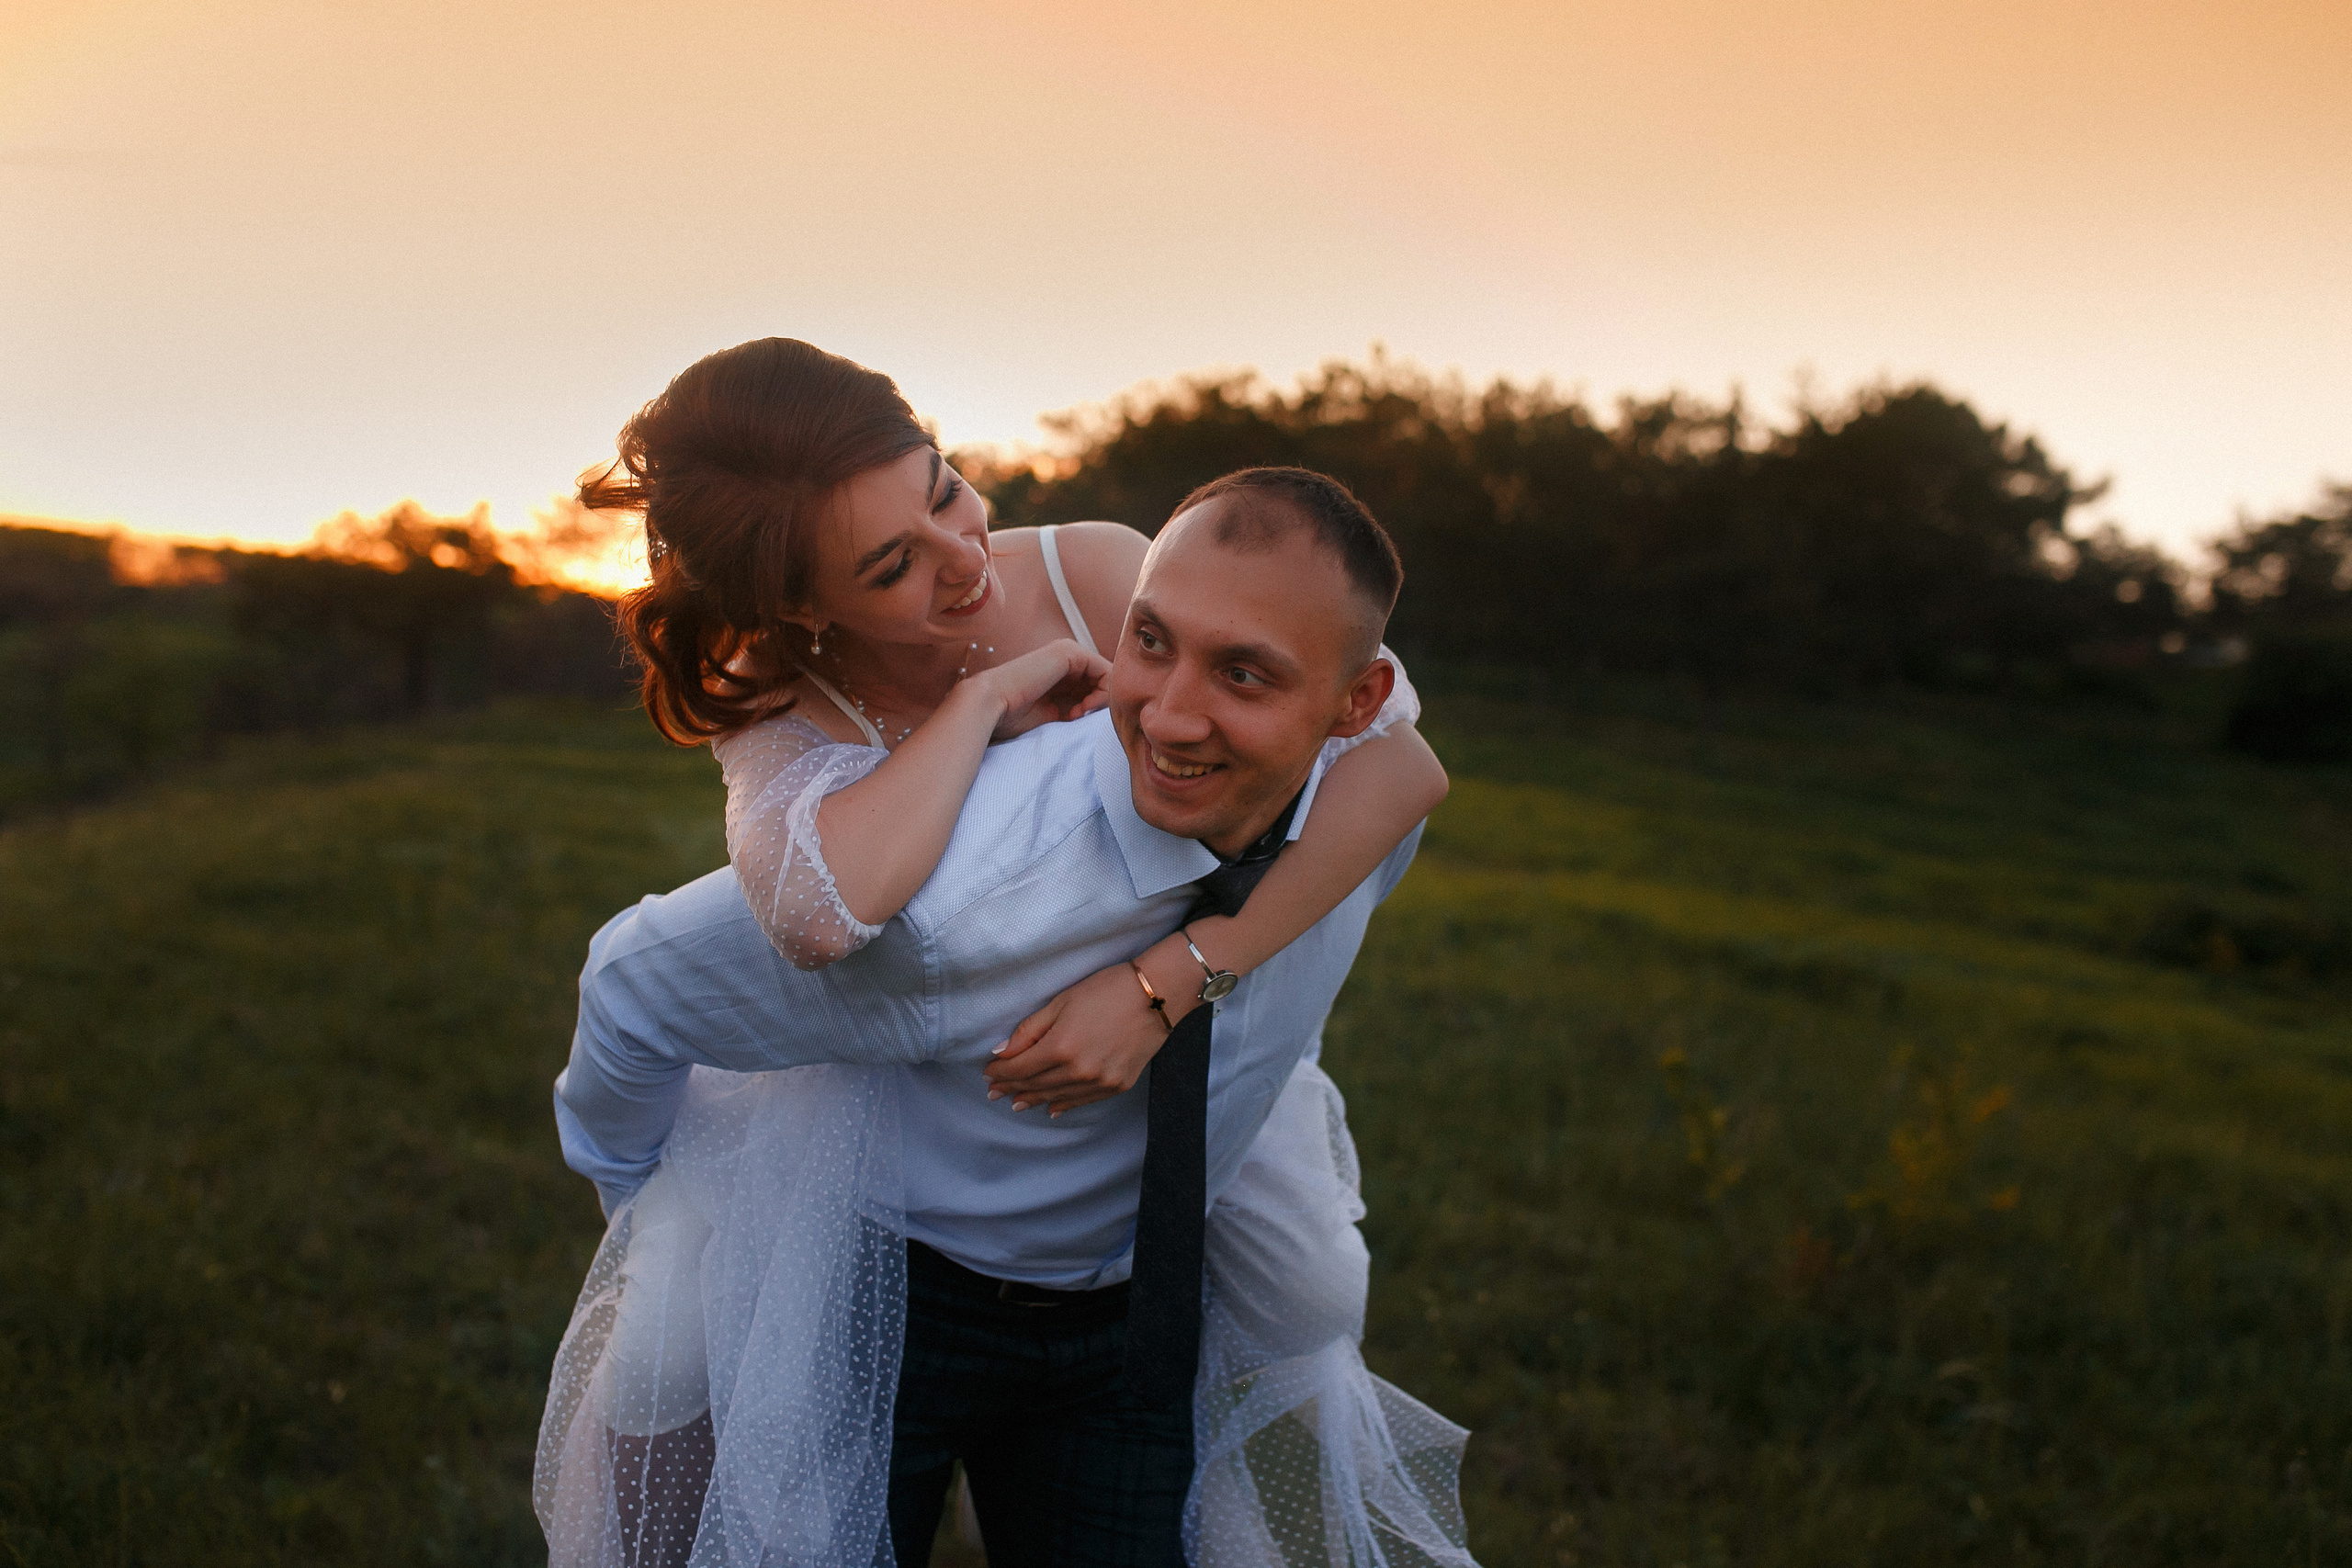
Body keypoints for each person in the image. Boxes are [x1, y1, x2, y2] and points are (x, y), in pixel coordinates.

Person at [536, 341, 1476, 1566]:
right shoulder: (791, 707)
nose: (966, 561)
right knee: (696, 1386)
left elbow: (1395, 764)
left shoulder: (1092, 568)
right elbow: (824, 916)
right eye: (894, 568)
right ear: (804, 611)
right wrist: (981, 708)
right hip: (916, 1171)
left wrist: (1180, 974)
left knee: (1309, 1290)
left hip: (1159, 1123)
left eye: (943, 490)